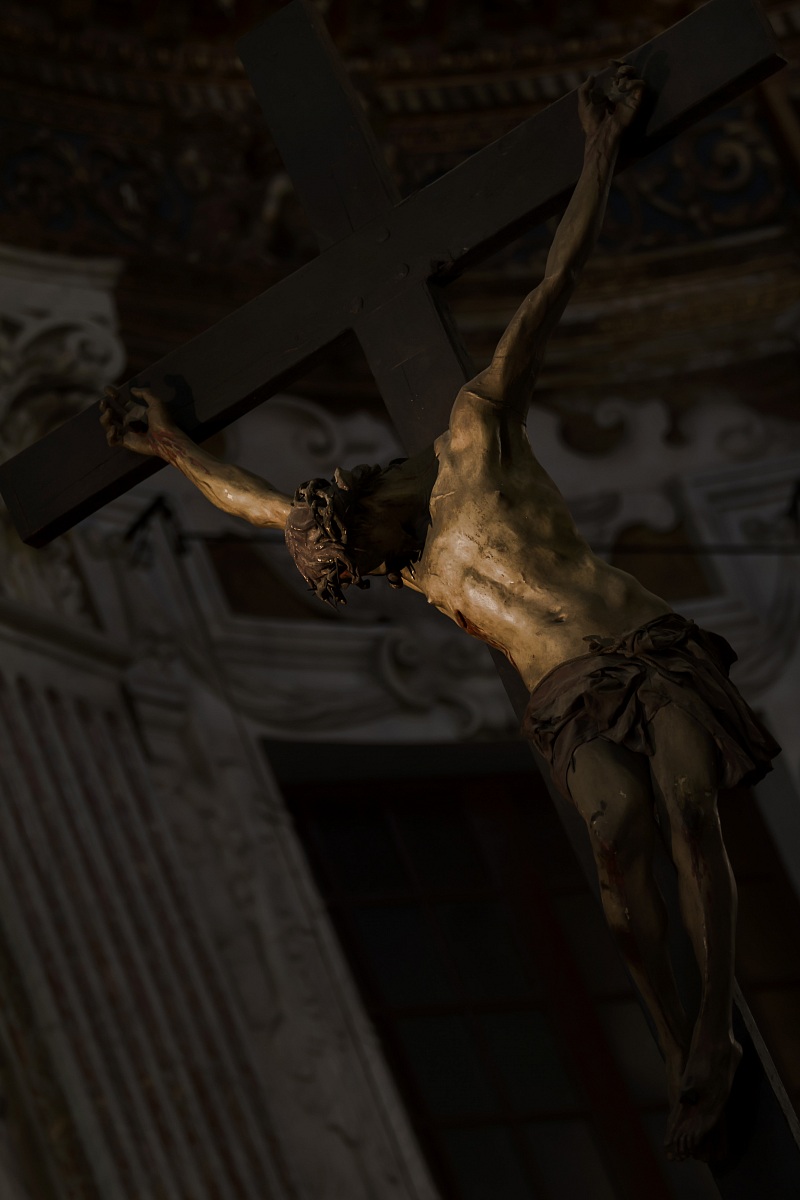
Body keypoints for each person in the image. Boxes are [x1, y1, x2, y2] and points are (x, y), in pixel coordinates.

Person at [100, 65, 779, 1162]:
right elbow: (250, 499)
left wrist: (597, 153)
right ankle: (668, 1031)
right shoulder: (402, 562)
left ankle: (713, 1030)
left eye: (359, 556)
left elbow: (547, 291)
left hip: (640, 648)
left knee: (693, 809)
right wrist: (175, 449)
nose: (374, 573)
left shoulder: (474, 438)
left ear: (360, 501)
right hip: (569, 699)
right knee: (614, 851)